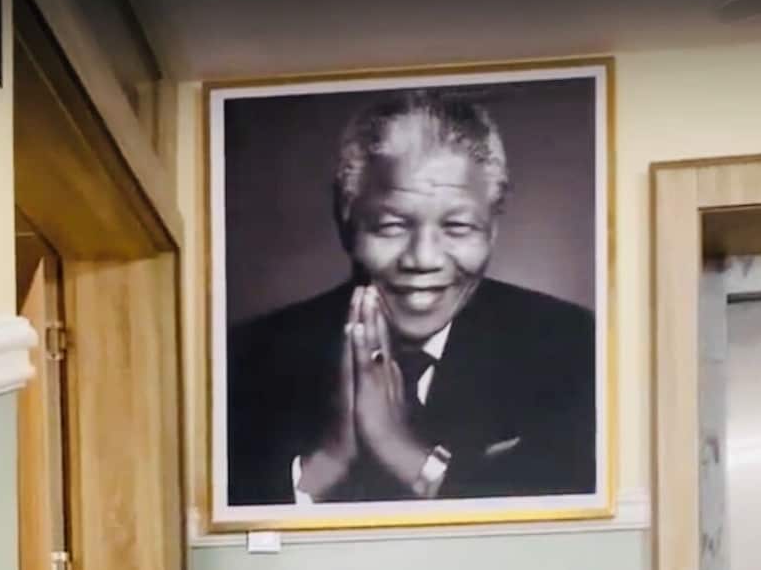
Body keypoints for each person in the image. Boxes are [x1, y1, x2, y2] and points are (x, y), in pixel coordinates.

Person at [227, 89, 595, 506]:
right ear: (346, 222)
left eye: (457, 227)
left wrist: (402, 453)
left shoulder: (575, 348)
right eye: (392, 226)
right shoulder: (247, 360)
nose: (423, 259)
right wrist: (326, 464)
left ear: (492, 231)